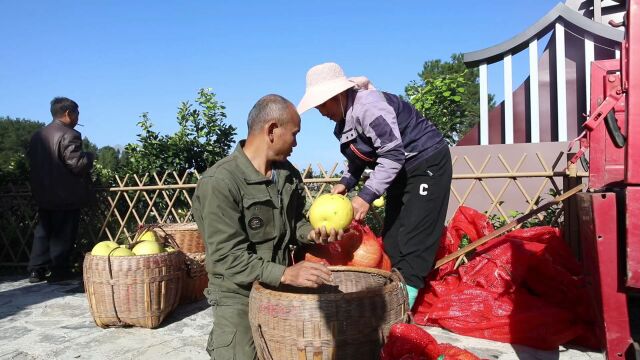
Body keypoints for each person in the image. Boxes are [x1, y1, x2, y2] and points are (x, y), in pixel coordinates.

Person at [192, 94, 337, 360]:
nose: (296, 142)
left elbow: (295, 223)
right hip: (238, 295)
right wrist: (286, 274)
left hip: (280, 289)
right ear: (272, 130)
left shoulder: (287, 174)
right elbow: (227, 259)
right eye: (294, 133)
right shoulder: (220, 182)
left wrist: (314, 233)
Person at [297, 62, 453, 309]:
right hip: (400, 170)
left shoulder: (369, 106)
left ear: (337, 96)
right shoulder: (342, 123)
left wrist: (365, 197)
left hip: (426, 161)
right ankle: (395, 292)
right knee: (393, 239)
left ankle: (401, 309)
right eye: (317, 106)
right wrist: (345, 183)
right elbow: (360, 160)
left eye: (323, 104)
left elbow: (392, 154)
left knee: (414, 238)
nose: (321, 111)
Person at [27, 97, 95, 283]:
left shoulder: (37, 136)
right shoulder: (69, 134)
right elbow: (77, 164)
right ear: (68, 114)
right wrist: (89, 156)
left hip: (42, 192)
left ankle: (36, 270)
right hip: (65, 193)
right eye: (77, 113)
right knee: (64, 233)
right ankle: (59, 271)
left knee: (43, 231)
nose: (78, 117)